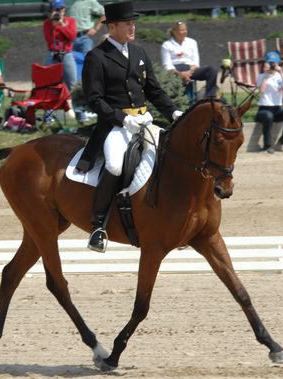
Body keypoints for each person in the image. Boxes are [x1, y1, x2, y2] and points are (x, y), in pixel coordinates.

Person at [78, 1, 182, 252]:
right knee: (114, 165)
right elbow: (94, 99)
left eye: (133, 22)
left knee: (171, 157)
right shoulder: (97, 57)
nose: (132, 27)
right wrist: (121, 118)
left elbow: (154, 90)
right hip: (117, 126)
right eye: (127, 23)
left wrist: (173, 112)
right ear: (112, 26)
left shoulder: (139, 53)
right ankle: (98, 226)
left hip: (144, 120)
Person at [160, 20, 218, 103]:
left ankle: (210, 97)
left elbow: (195, 62)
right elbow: (167, 65)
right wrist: (180, 74)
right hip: (175, 70)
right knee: (175, 74)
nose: (184, 32)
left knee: (212, 70)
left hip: (191, 69)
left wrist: (189, 72)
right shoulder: (167, 45)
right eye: (181, 30)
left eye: (185, 30)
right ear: (174, 32)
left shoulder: (192, 42)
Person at [254, 51, 283, 154]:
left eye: (274, 63)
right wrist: (266, 75)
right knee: (268, 116)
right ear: (266, 63)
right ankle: (267, 145)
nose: (272, 65)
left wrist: (281, 72)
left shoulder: (280, 76)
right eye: (270, 63)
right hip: (264, 109)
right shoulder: (261, 76)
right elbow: (262, 90)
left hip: (277, 109)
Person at [43, 0, 77, 91]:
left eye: (62, 8)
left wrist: (62, 25)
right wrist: (54, 25)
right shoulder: (47, 23)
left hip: (67, 54)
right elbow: (49, 40)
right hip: (52, 54)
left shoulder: (71, 21)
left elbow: (72, 36)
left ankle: (73, 103)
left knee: (72, 84)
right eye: (57, 9)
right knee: (49, 83)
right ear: (52, 11)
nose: (61, 11)